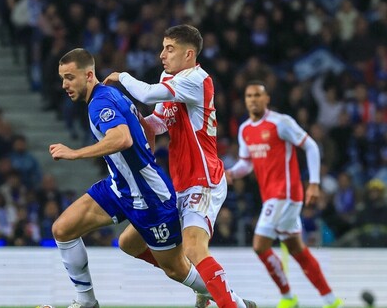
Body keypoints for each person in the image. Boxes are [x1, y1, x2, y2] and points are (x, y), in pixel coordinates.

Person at [50, 48, 215, 308]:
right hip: (119, 188)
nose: (64, 85)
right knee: (64, 230)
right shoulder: (111, 94)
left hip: (149, 197)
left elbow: (122, 138)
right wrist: (143, 155)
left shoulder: (100, 104)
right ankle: (86, 302)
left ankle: (229, 298)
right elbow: (144, 127)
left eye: (70, 77)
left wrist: (74, 154)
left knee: (175, 269)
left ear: (89, 74)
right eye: (62, 78)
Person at [104, 24, 255, 308]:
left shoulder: (196, 79)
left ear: (189, 54)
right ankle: (209, 287)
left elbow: (148, 94)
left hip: (203, 179)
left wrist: (122, 76)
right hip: (178, 183)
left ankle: (230, 303)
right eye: (162, 47)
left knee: (194, 247)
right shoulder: (170, 77)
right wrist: (135, 120)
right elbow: (160, 122)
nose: (162, 54)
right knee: (129, 243)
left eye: (169, 49)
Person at [225, 81, 343, 308]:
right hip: (271, 196)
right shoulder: (245, 130)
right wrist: (230, 173)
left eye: (258, 95)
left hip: (286, 194)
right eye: (249, 96)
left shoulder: (281, 123)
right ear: (245, 100)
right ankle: (332, 300)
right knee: (297, 249)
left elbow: (311, 146)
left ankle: (288, 297)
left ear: (267, 99)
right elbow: (246, 164)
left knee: (260, 245)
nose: (253, 99)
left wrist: (314, 183)